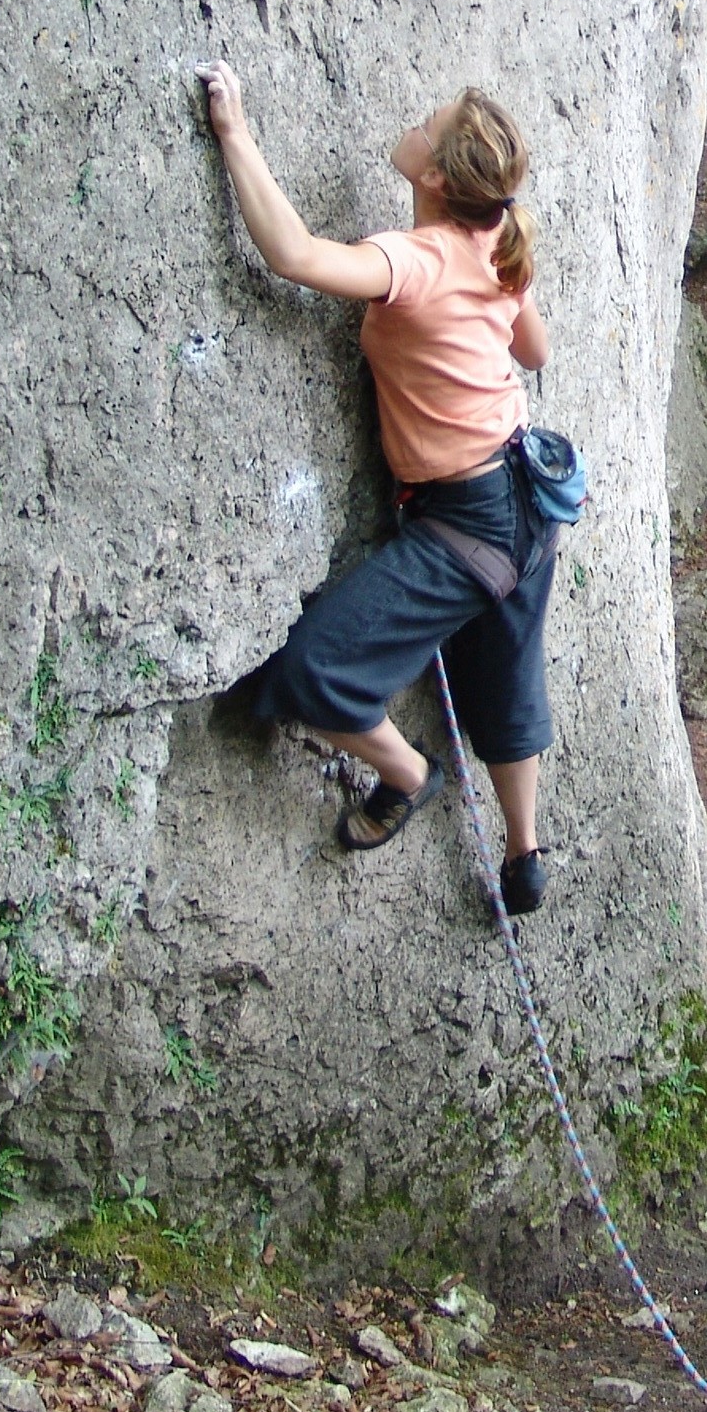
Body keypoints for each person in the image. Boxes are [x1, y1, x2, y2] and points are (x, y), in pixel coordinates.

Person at [198, 63, 558, 914]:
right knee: (508, 674)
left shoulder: (417, 258)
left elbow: (292, 257)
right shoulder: (496, 246)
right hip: (528, 499)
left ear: (432, 174)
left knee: (316, 667)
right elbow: (533, 353)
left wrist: (235, 135)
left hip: (462, 522)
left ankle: (409, 773)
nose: (412, 124)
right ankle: (524, 852)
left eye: (424, 127)